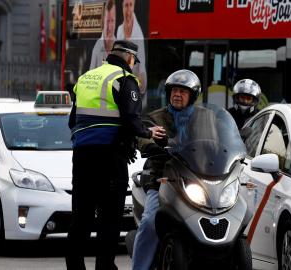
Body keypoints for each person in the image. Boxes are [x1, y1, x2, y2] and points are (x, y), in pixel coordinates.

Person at [66, 40, 166, 270]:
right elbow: (132, 121)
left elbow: (73, 121)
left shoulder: (86, 78)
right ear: (130, 58)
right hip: (110, 158)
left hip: (81, 157)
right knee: (108, 220)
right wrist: (148, 131)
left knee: (80, 219)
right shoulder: (124, 79)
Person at [131, 69, 201, 270]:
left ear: (192, 96)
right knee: (149, 223)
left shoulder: (203, 118)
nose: (177, 95)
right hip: (163, 182)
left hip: (197, 182)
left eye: (183, 91)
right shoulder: (156, 117)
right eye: (174, 91)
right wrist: (148, 145)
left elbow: (217, 140)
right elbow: (143, 135)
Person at [117, 0, 147, 106]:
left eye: (131, 5)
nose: (128, 10)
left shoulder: (139, 36)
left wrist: (140, 80)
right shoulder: (119, 30)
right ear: (122, 6)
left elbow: (141, 69)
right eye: (126, 5)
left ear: (134, 6)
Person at [90, 0, 116, 70]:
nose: (110, 27)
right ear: (104, 21)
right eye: (107, 21)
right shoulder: (97, 48)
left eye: (112, 21)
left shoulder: (120, 49)